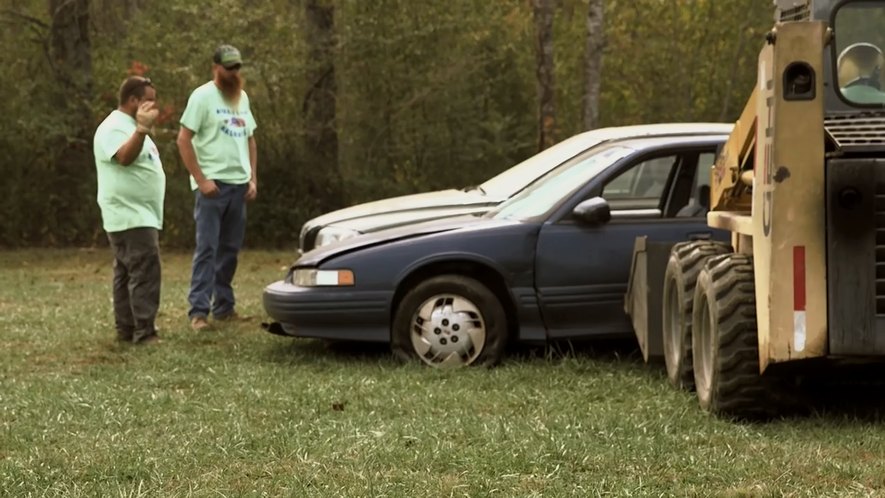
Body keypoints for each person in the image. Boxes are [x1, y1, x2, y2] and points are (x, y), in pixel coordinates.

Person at [177, 44, 258, 331]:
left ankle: (224, 306)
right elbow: (183, 140)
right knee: (207, 248)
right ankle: (198, 312)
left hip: (239, 185)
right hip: (213, 187)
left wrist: (252, 178)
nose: (234, 72)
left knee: (230, 250)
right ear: (216, 68)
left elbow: (249, 140)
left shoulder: (242, 98)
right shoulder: (201, 97)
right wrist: (201, 179)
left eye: (237, 67)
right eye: (229, 67)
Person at [92, 76, 165, 345]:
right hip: (129, 215)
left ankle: (127, 329)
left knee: (126, 272)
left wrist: (141, 129)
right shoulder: (113, 127)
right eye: (149, 101)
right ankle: (144, 332)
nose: (154, 107)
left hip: (139, 214)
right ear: (133, 100)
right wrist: (142, 131)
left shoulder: (130, 126)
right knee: (144, 271)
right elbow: (123, 158)